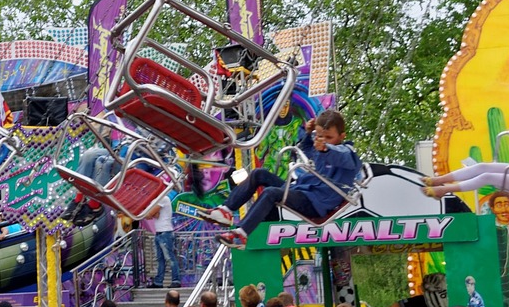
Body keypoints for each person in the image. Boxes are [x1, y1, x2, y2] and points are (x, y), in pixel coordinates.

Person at [209, 111, 361, 244]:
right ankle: (226, 210)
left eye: (329, 137)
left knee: (271, 193)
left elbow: (340, 156)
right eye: (320, 136)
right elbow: (306, 151)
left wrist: (327, 148)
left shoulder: (348, 154)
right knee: (258, 173)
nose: (324, 140)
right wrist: (309, 135)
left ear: (342, 136)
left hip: (315, 202)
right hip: (301, 190)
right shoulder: (320, 148)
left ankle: (241, 233)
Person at [146, 195, 178, 288]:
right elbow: (156, 214)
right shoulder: (157, 199)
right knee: (160, 259)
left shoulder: (163, 198)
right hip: (159, 232)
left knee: (169, 258)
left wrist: (146, 209)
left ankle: (176, 280)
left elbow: (149, 214)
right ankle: (158, 282)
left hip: (165, 232)